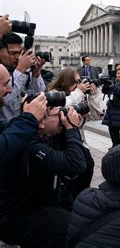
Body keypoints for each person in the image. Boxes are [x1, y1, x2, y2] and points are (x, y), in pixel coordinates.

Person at [0, 106, 86, 247]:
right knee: (70, 227)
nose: (63, 118)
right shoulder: (31, 144)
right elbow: (75, 164)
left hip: (33, 206)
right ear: (41, 123)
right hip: (14, 217)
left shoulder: (39, 135)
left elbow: (84, 161)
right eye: (58, 115)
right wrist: (71, 129)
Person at [0, 32, 46, 121]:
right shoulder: (19, 70)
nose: (17, 57)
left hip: (21, 127)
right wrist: (20, 69)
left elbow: (38, 96)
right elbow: (6, 102)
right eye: (12, 53)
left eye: (19, 52)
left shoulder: (20, 71)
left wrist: (35, 75)